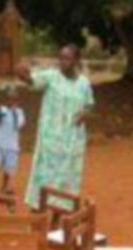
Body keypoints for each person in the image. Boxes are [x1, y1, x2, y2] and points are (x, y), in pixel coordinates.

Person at [16, 44, 94, 209]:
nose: (62, 62)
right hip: (50, 142)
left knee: (67, 180)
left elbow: (89, 105)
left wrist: (85, 114)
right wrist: (23, 74)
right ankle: (37, 215)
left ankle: (59, 218)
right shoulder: (51, 77)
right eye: (60, 58)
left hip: (72, 143)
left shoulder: (84, 83)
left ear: (76, 60)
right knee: (44, 178)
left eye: (66, 58)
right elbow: (32, 80)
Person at [0, 85, 26, 193]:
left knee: (8, 168)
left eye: (14, 99)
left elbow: (19, 125)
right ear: (6, 99)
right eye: (9, 98)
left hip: (12, 145)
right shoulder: (0, 110)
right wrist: (0, 113)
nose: (12, 101)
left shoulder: (19, 112)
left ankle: (4, 186)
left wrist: (14, 112)